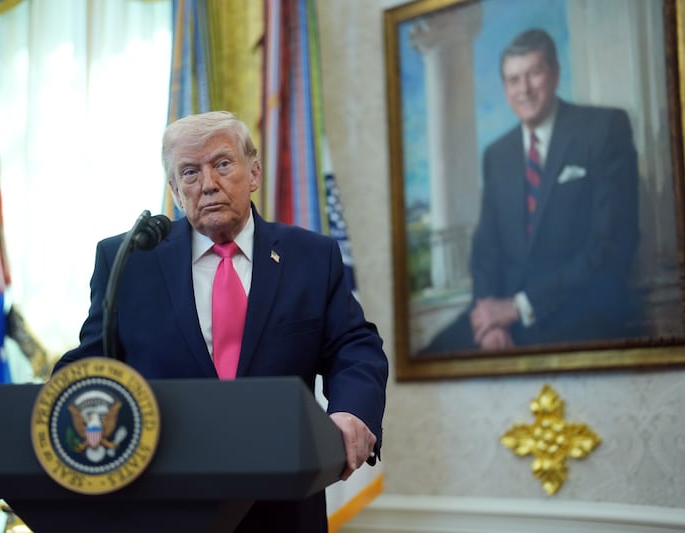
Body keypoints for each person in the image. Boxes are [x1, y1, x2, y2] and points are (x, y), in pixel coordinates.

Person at [53, 110, 388, 531]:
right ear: (175, 192)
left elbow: (354, 347)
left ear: (254, 173)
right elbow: (92, 361)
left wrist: (352, 412)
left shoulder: (310, 257)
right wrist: (50, 408)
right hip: (164, 505)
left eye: (223, 164)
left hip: (282, 503)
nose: (208, 183)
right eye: (190, 172)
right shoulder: (129, 260)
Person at [425, 28, 640, 353]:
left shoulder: (603, 130)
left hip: (577, 310)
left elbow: (610, 246)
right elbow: (486, 251)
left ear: (555, 74)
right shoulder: (497, 154)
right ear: (505, 89)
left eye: (534, 73)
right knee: (428, 358)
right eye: (513, 80)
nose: (524, 89)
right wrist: (490, 322)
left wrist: (520, 307)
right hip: (504, 315)